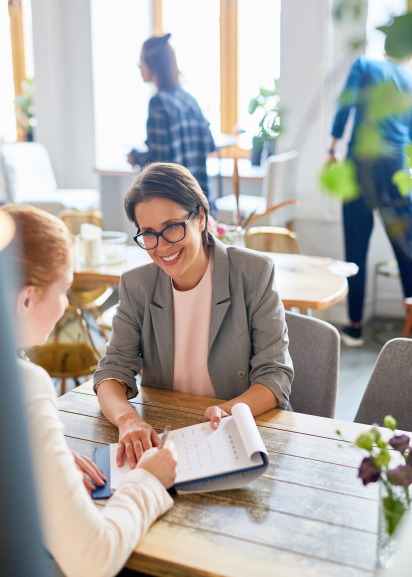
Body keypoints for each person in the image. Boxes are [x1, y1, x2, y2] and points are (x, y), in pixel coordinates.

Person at [2, 204, 178, 577]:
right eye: (64, 290)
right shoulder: (23, 386)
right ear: (26, 300)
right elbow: (93, 560)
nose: (66, 305)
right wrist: (148, 479)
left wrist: (36, 457)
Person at [94, 162, 294, 470]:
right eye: (148, 233)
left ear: (201, 217)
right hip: (169, 432)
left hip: (243, 432)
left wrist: (228, 411)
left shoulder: (253, 272)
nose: (162, 246)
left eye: (172, 227)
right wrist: (127, 420)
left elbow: (275, 375)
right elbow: (112, 371)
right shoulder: (137, 286)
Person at [328, 42, 412, 347]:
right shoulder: (409, 80)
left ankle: (354, 327)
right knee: (407, 245)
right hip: (396, 165)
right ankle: (411, 319)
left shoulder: (364, 65)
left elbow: (346, 103)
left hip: (362, 161)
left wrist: (332, 146)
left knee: (356, 243)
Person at [127, 33, 215, 199]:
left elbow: (157, 163)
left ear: (152, 64)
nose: (139, 66)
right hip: (201, 202)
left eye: (141, 60)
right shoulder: (189, 100)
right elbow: (210, 144)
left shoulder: (158, 103)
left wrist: (134, 156)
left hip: (175, 203)